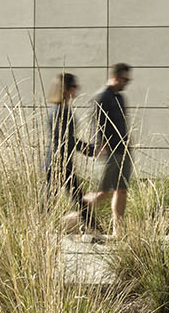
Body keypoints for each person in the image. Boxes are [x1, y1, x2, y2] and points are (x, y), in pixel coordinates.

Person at [62, 63, 133, 239]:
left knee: (121, 190)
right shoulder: (102, 96)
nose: (127, 83)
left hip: (123, 150)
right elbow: (96, 121)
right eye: (124, 79)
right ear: (115, 77)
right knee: (104, 192)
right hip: (109, 152)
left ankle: (118, 232)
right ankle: (69, 219)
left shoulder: (120, 97)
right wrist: (100, 145)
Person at [44, 73, 88, 219]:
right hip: (58, 161)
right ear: (67, 89)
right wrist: (90, 150)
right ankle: (91, 226)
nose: (77, 90)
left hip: (61, 160)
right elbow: (66, 139)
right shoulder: (59, 111)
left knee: (55, 199)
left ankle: (91, 226)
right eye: (75, 87)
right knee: (73, 197)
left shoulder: (61, 109)